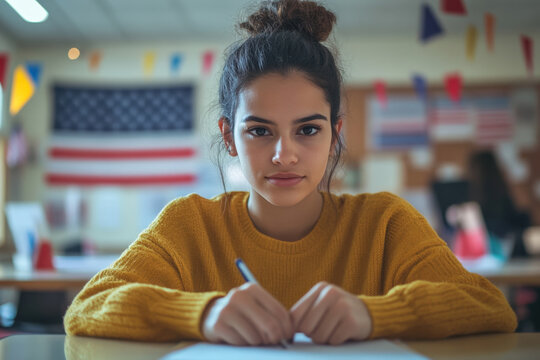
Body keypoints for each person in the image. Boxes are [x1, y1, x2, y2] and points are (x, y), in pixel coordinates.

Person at [64, 0, 516, 345]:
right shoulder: (189, 225)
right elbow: (87, 307)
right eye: (260, 130)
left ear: (336, 132)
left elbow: (489, 307)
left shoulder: (383, 223)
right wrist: (202, 313)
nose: (284, 155)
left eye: (308, 129)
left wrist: (375, 314)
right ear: (228, 136)